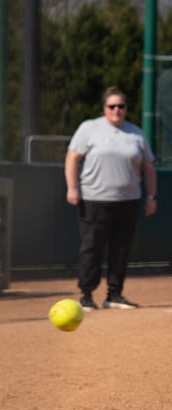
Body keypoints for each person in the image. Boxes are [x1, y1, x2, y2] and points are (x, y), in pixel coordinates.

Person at [65, 86, 157, 311]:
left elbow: (149, 166)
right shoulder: (89, 128)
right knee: (92, 247)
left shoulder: (136, 133)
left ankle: (114, 295)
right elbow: (72, 157)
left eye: (121, 106)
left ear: (126, 108)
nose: (117, 110)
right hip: (95, 199)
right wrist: (72, 187)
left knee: (121, 248)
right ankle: (86, 295)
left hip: (128, 200)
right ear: (104, 108)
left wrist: (152, 196)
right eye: (112, 106)